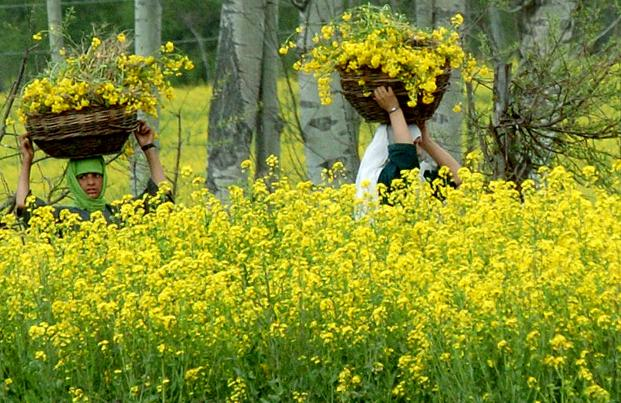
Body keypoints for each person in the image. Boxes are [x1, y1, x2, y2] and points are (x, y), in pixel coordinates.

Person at [15, 120, 170, 225]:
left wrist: (148, 147)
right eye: (82, 177)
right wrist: (27, 159)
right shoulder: (64, 218)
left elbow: (161, 195)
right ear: (73, 181)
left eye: (96, 176)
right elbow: (24, 205)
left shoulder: (120, 213)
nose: (91, 182)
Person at [355, 86, 462, 202]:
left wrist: (427, 142)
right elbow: (405, 155)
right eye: (414, 140)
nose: (416, 143)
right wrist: (394, 109)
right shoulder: (386, 176)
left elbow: (459, 176)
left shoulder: (420, 180)